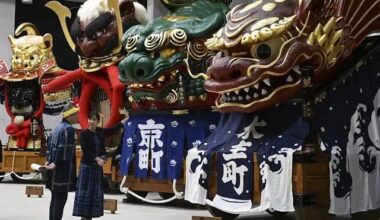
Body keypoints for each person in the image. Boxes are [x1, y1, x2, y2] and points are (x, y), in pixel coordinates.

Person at [73, 111, 128, 220]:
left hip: (97, 168)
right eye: (90, 119)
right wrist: (97, 158)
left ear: (98, 121)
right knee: (86, 193)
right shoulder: (84, 134)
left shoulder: (100, 132)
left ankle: (89, 217)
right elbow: (86, 150)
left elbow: (112, 129)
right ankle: (84, 217)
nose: (91, 121)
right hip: (87, 167)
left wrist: (125, 120)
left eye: (94, 119)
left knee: (94, 193)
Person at [45, 103, 79, 220]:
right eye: (75, 114)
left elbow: (49, 146)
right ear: (69, 116)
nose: (77, 116)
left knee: (54, 200)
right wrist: (56, 162)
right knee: (60, 201)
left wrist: (49, 160)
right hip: (62, 170)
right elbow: (63, 148)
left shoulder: (57, 127)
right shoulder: (68, 129)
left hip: (54, 169)